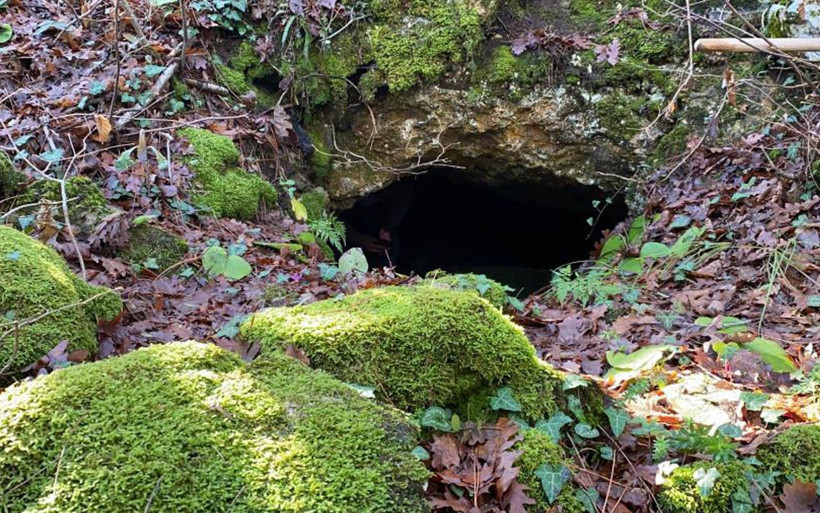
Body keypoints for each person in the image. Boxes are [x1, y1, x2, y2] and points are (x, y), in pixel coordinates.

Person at [342, 180, 413, 267]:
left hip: (380, 227)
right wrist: (357, 238)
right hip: (352, 228)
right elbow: (332, 219)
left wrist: (387, 227)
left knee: (389, 250)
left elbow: (403, 199)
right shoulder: (352, 191)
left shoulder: (402, 189)